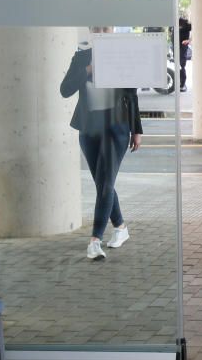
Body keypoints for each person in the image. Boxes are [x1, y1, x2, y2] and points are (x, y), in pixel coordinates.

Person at [60, 27, 143, 261]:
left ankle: (95, 241)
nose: (101, 31)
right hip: (89, 128)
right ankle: (121, 227)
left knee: (105, 183)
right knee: (102, 183)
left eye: (105, 27)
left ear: (113, 29)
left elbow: (131, 94)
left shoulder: (122, 54)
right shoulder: (82, 56)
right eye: (97, 28)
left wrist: (136, 130)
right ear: (91, 30)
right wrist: (88, 70)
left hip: (116, 128)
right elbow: (65, 90)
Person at [178, 15, 192, 92]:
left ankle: (182, 84)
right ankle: (180, 83)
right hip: (176, 49)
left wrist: (189, 40)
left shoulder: (186, 25)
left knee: (181, 66)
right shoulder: (174, 25)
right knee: (179, 67)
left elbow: (197, 28)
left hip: (182, 49)